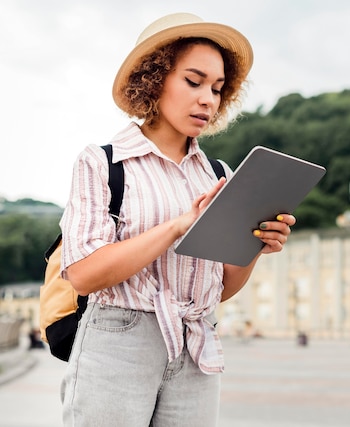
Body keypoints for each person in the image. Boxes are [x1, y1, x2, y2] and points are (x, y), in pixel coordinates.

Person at [59, 13, 295, 427]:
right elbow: (82, 274)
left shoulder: (219, 176)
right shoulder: (103, 163)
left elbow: (219, 289)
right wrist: (177, 225)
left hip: (195, 347)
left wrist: (254, 245)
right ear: (154, 79)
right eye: (194, 81)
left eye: (218, 89)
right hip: (118, 343)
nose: (208, 99)